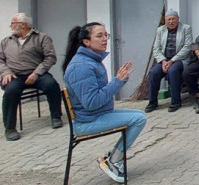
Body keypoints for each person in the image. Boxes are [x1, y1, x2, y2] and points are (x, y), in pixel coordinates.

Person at [62, 23, 146, 183]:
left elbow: (99, 94)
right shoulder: (81, 66)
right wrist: (116, 81)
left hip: (96, 115)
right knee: (138, 119)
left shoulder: (90, 60)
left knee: (139, 116)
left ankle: (113, 159)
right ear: (86, 42)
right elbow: (91, 102)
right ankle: (114, 161)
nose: (105, 39)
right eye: (99, 36)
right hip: (87, 121)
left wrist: (120, 80)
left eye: (106, 35)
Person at [0, 13, 63, 141]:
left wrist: (36, 73)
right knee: (10, 91)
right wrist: (5, 72)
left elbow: (50, 57)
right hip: (15, 76)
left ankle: (56, 116)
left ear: (23, 24)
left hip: (37, 73)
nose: (10, 26)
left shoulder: (42, 38)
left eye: (13, 23)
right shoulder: (6, 41)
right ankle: (10, 128)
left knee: (51, 85)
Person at [145, 10, 193, 113]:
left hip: (180, 59)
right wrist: (163, 61)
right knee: (154, 72)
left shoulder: (186, 28)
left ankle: (175, 101)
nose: (171, 22)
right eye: (169, 19)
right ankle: (152, 102)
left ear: (178, 19)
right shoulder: (160, 30)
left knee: (173, 71)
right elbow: (156, 48)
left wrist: (172, 61)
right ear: (165, 20)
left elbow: (187, 47)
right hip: (164, 60)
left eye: (173, 19)